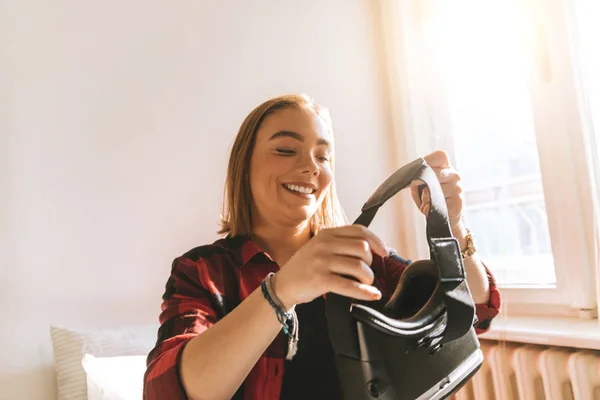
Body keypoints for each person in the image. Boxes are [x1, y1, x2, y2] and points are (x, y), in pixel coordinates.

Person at [143, 94, 501, 400]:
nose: (309, 167)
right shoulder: (204, 272)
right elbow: (166, 390)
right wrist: (281, 291)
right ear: (244, 165)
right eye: (286, 149)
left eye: (322, 156)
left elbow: (470, 315)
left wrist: (454, 229)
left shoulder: (363, 257)